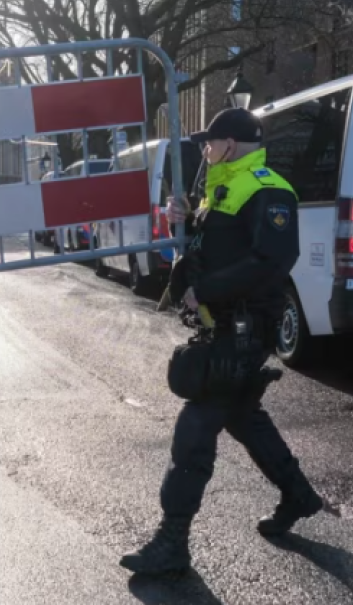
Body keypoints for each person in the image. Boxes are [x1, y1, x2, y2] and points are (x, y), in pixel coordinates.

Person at [120, 107, 323, 575]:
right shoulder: (222, 186)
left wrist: (204, 290)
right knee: (243, 416)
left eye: (209, 143)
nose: (205, 150)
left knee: (196, 427)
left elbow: (272, 261)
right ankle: (299, 495)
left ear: (229, 145)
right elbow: (210, 247)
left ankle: (172, 543)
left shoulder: (269, 189)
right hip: (228, 324)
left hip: (246, 327)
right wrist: (183, 220)